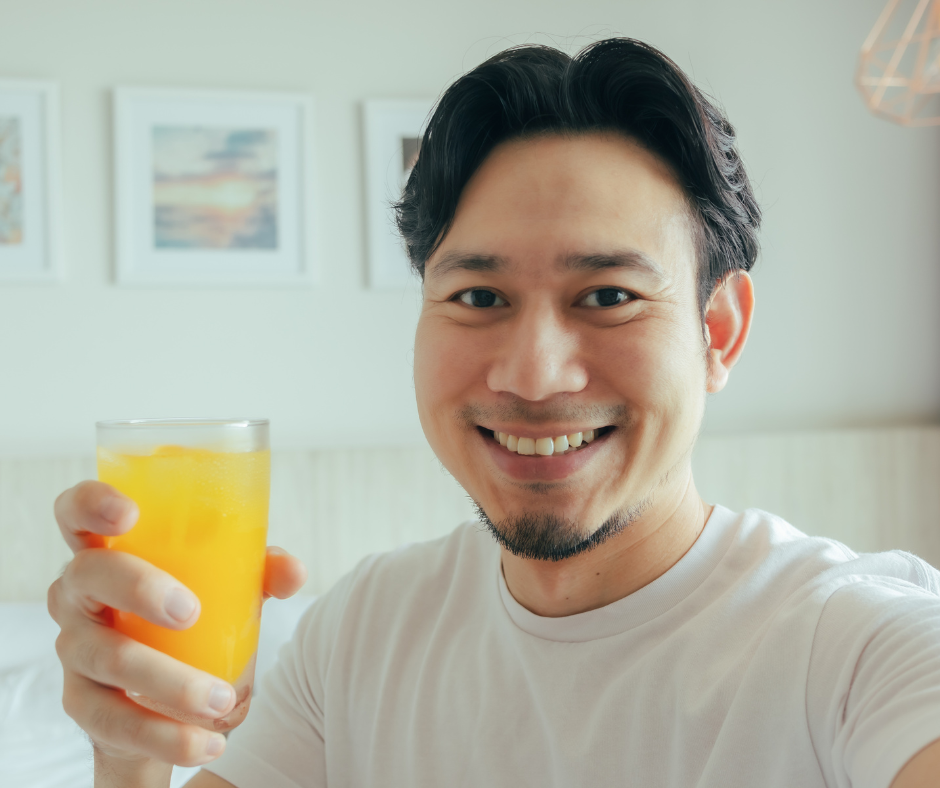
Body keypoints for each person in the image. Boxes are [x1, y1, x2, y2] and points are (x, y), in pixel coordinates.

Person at [48, 38, 940, 788]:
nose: (533, 374)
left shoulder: (859, 646)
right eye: (478, 296)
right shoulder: (359, 635)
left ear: (718, 332)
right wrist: (127, 759)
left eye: (607, 295)